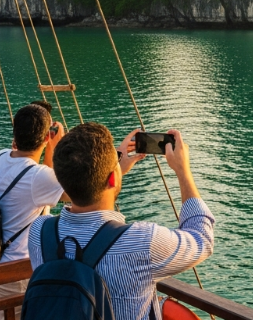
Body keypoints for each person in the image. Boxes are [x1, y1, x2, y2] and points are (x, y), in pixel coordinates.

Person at [27, 124, 215, 320]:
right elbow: (202, 238)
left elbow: (90, 187)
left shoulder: (39, 232)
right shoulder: (141, 242)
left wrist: (112, 171)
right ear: (112, 179)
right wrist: (183, 171)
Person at [0, 104, 67, 320]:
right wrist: (57, 146)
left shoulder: (0, 157)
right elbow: (80, 193)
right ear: (45, 138)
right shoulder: (37, 178)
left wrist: (49, 146)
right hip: (20, 271)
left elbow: (43, 179)